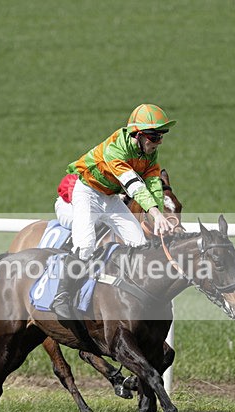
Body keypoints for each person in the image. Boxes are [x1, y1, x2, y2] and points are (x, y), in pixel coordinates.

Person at [51, 104, 177, 319]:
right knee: (86, 245)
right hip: (88, 193)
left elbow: (153, 183)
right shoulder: (115, 148)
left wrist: (159, 216)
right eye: (155, 137)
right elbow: (133, 185)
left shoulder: (149, 155)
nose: (160, 141)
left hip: (110, 198)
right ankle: (61, 296)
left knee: (140, 244)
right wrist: (154, 213)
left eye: (162, 136)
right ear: (138, 135)